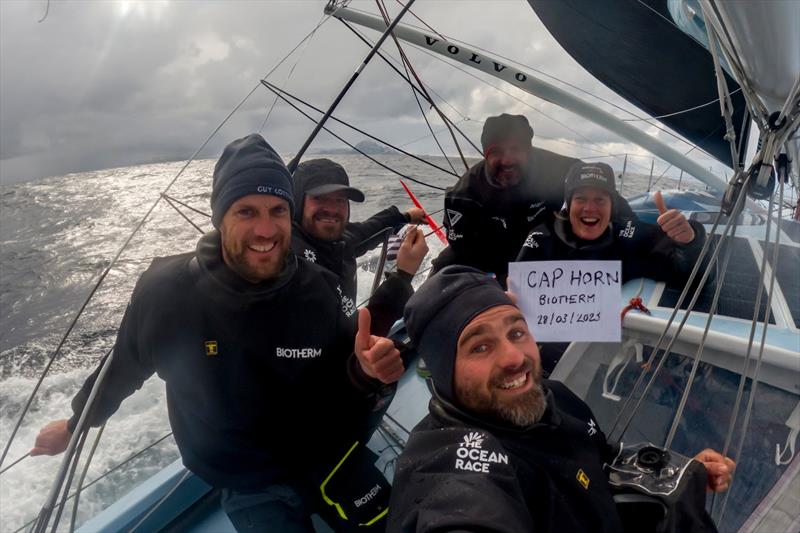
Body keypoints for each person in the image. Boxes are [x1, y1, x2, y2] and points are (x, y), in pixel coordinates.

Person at [30, 134, 405, 532]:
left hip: (328, 454)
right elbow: (124, 366)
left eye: (277, 210)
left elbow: (344, 375)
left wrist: (366, 371)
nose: (266, 229)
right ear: (220, 216)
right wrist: (74, 425)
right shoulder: (167, 292)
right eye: (246, 211)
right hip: (245, 478)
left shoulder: (321, 289)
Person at [388, 265, 734, 532]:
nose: (514, 357)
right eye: (480, 346)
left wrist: (675, 471)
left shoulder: (555, 397)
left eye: (517, 331)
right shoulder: (451, 472)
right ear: (444, 370)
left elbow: (601, 457)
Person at [431, 113, 636, 286]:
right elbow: (465, 254)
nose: (507, 159)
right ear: (486, 154)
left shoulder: (562, 170)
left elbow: (610, 204)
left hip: (550, 254)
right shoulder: (463, 196)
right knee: (442, 272)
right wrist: (503, 280)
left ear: (528, 150)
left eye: (515, 150)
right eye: (497, 152)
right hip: (496, 261)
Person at [516, 161, 707, 285]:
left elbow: (693, 278)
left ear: (612, 206)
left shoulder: (630, 236)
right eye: (581, 199)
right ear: (569, 205)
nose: (589, 208)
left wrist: (689, 242)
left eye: (600, 200)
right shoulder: (542, 239)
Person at [291, 158, 428, 315]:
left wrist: (405, 217)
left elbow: (366, 230)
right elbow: (353, 335)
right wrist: (403, 276)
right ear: (297, 201)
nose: (331, 209)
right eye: (319, 198)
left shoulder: (337, 241)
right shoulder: (296, 270)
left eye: (340, 199)